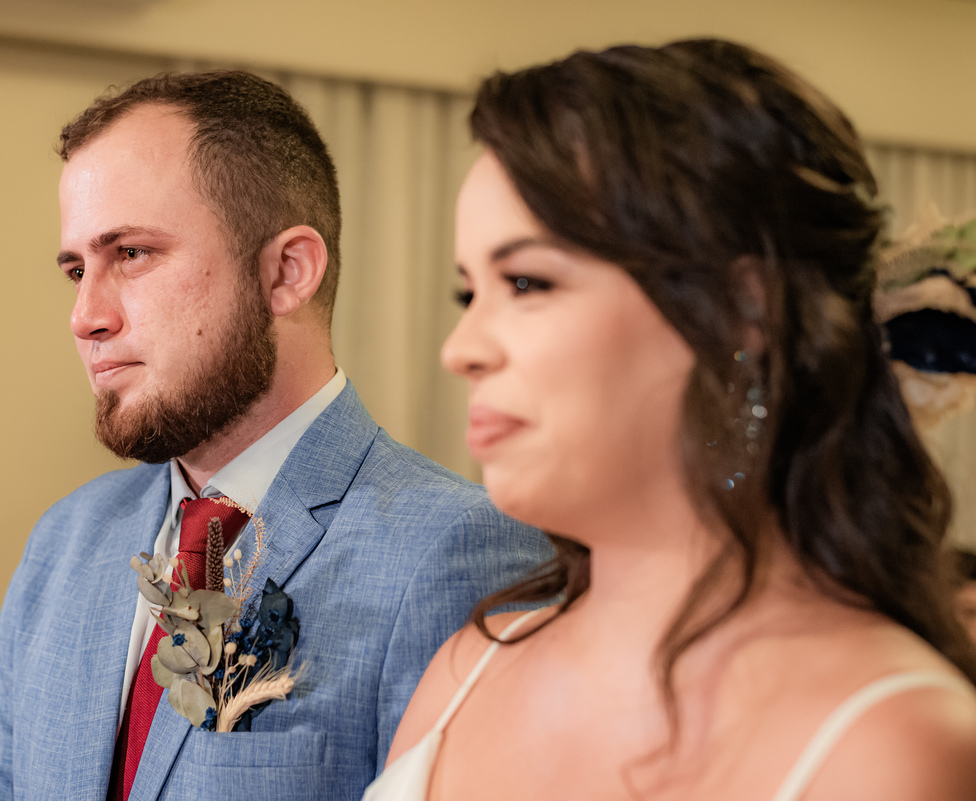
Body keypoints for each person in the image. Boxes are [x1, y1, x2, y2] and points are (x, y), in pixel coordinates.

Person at [366, 39, 976, 801]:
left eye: (527, 281)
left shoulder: (892, 744)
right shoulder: (469, 666)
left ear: (742, 312)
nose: (461, 350)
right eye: (469, 293)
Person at [0, 71, 551, 801]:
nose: (85, 315)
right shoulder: (64, 541)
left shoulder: (461, 550)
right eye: (77, 269)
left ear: (286, 272)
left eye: (131, 254)